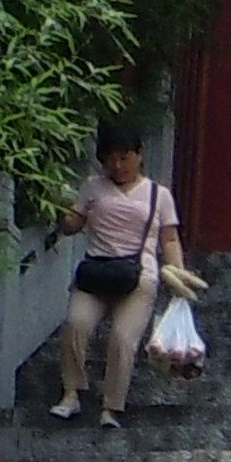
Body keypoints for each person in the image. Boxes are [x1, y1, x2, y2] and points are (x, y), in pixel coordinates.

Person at [50, 122, 182, 428]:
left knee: (123, 339)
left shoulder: (157, 195)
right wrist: (58, 206)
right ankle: (71, 393)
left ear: (139, 155)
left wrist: (177, 275)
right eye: (111, 158)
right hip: (96, 270)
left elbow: (170, 239)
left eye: (125, 157)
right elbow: (73, 224)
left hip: (138, 274)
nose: (118, 165)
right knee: (75, 323)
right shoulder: (92, 187)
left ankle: (112, 405)